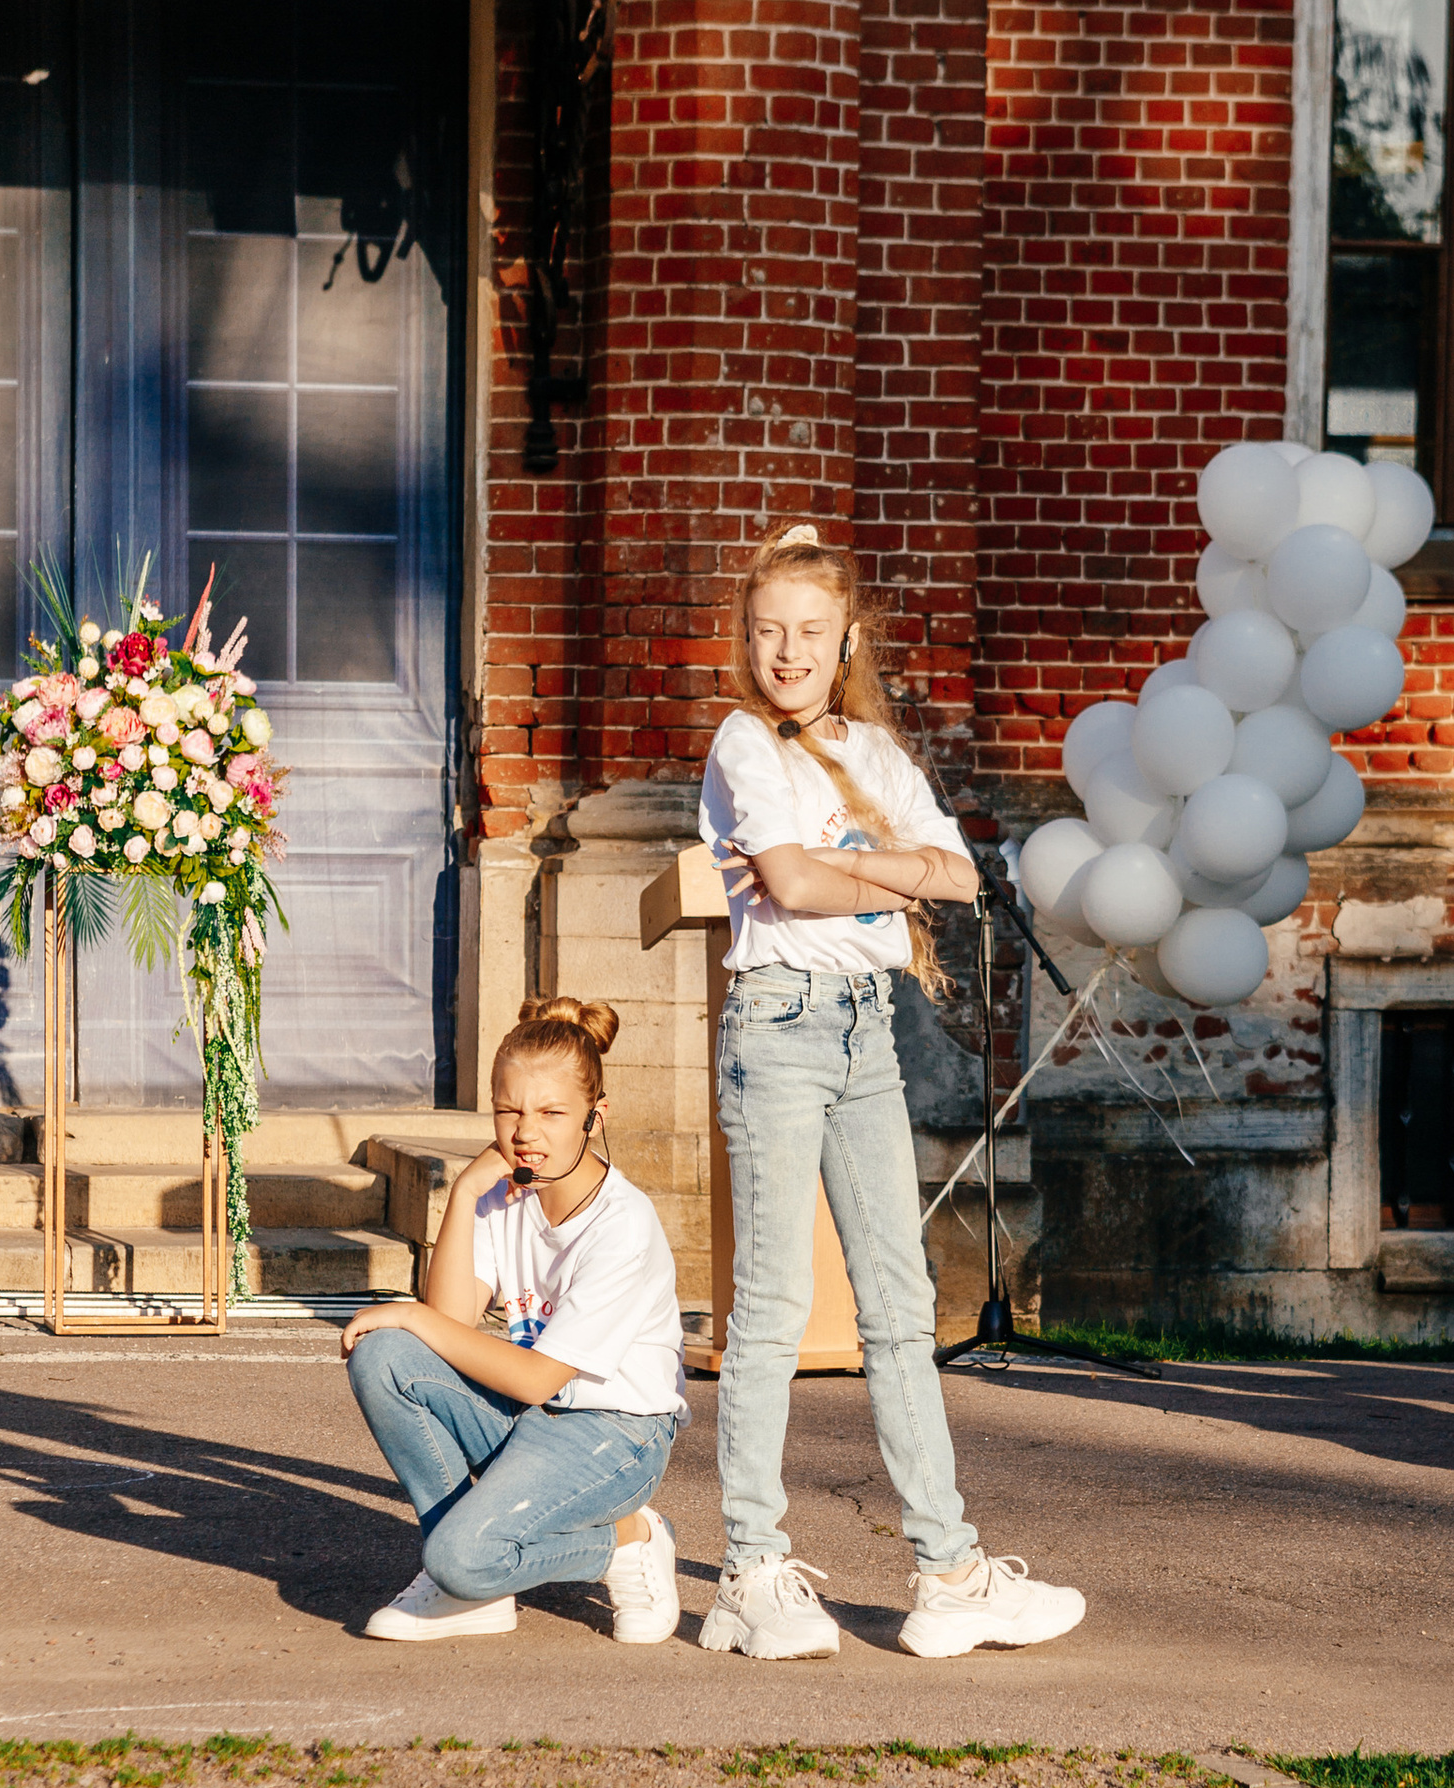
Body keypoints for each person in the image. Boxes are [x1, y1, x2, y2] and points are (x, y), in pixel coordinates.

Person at [694, 519, 1085, 1659]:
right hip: (775, 1031)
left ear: (844, 637)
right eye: (768, 631)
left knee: (902, 1312)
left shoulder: (875, 754)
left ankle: (947, 1574)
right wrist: (885, 875)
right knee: (767, 1309)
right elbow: (785, 883)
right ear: (748, 639)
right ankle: (751, 1571)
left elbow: (959, 877)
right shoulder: (741, 743)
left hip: (868, 1038)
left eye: (810, 632)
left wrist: (855, 871)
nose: (787, 653)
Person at [340, 995, 684, 1643]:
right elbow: (450, 1323)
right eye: (509, 1111)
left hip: (617, 1436)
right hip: (538, 1425)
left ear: (594, 1116)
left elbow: (534, 1379)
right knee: (385, 1354)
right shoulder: (501, 1196)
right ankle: (471, 1593)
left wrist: (415, 1315)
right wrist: (466, 1192)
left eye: (553, 1113)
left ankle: (629, 1540)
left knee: (461, 1556)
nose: (526, 1131)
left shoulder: (622, 1224)